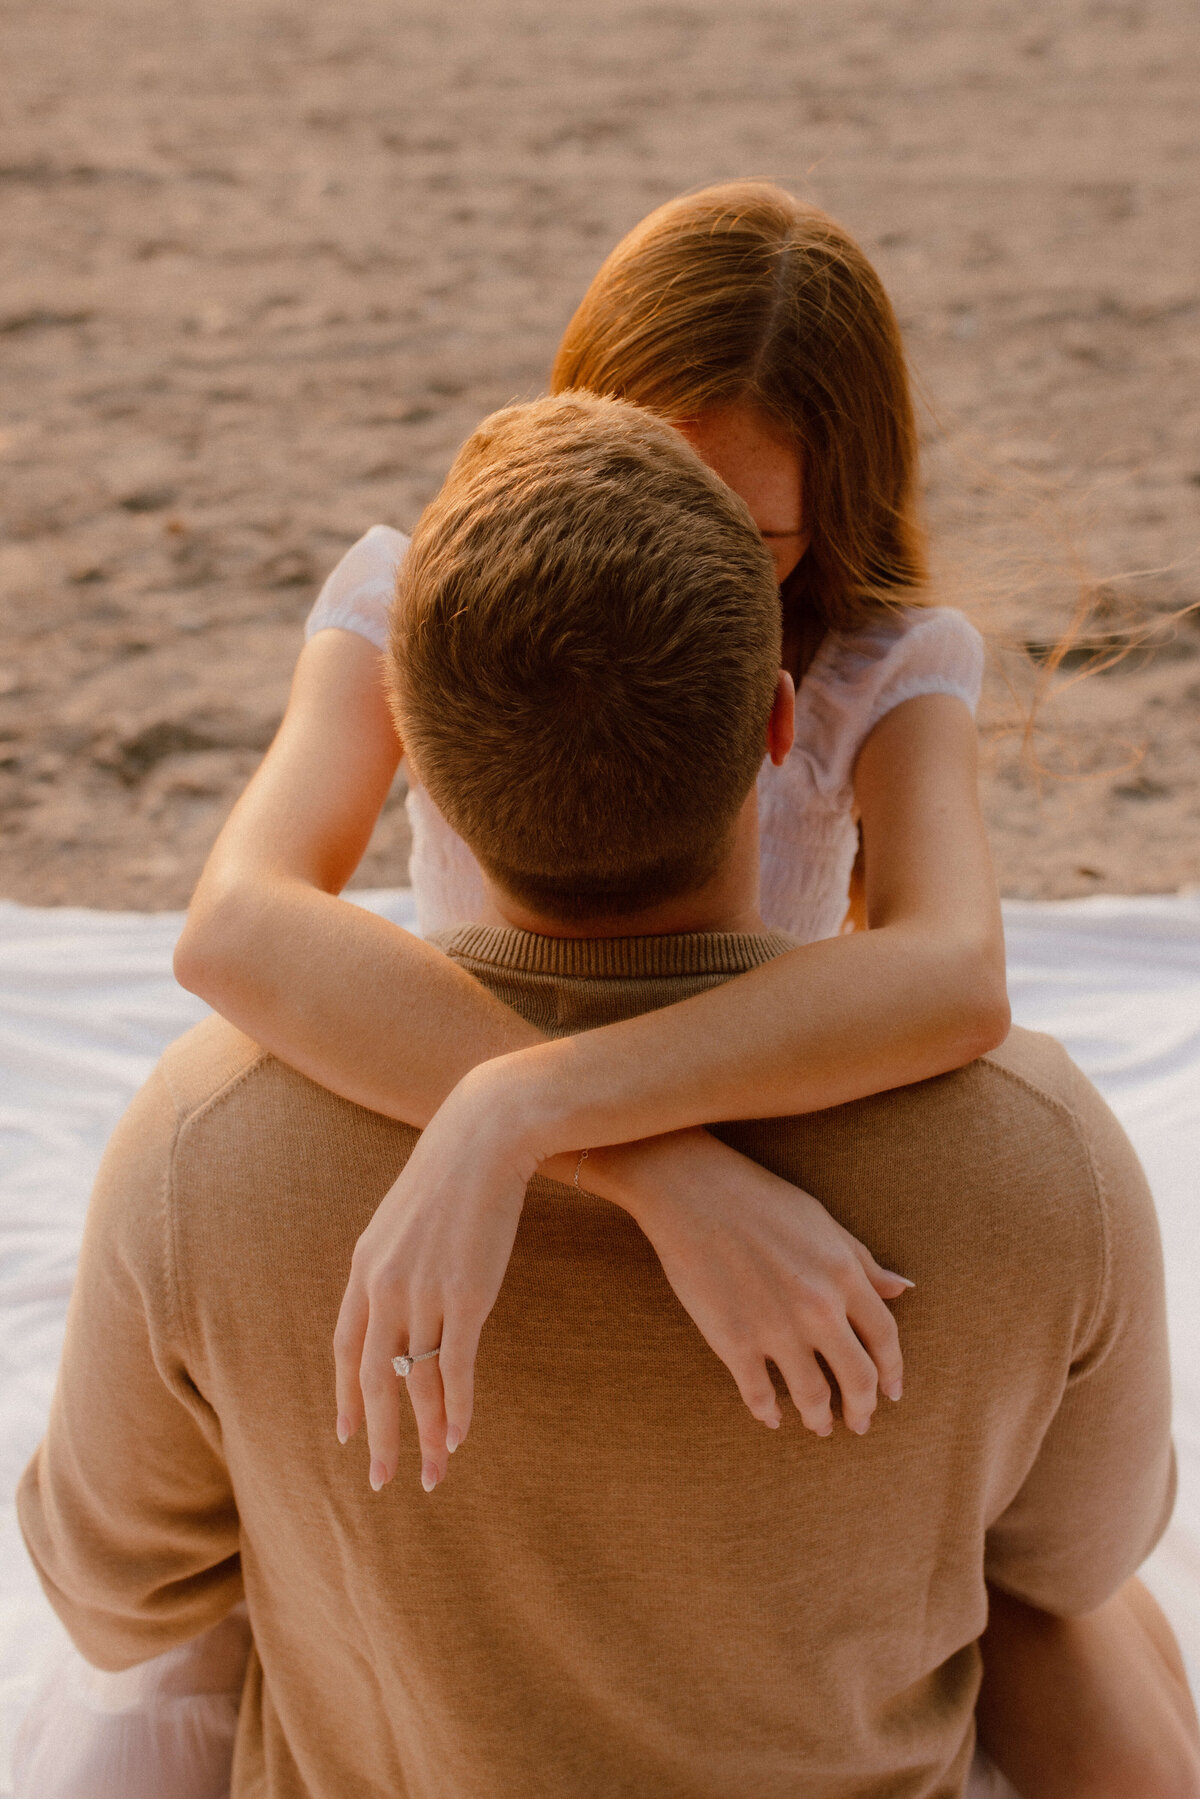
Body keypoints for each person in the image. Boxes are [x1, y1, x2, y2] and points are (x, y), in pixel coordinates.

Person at [16, 395, 1198, 1798]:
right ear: (776, 723)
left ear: (418, 754)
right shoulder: (1039, 1153)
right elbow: (1076, 1564)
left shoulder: (202, 1142)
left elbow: (115, 1597)